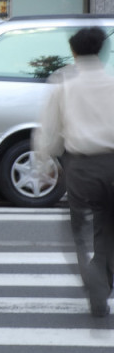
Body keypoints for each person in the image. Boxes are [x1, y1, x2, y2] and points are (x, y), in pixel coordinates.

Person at [34, 27, 114, 317]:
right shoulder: (112, 83)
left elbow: (50, 131)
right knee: (108, 228)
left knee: (80, 231)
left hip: (81, 165)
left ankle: (93, 282)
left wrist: (44, 162)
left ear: (74, 52)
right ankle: (103, 278)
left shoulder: (64, 83)